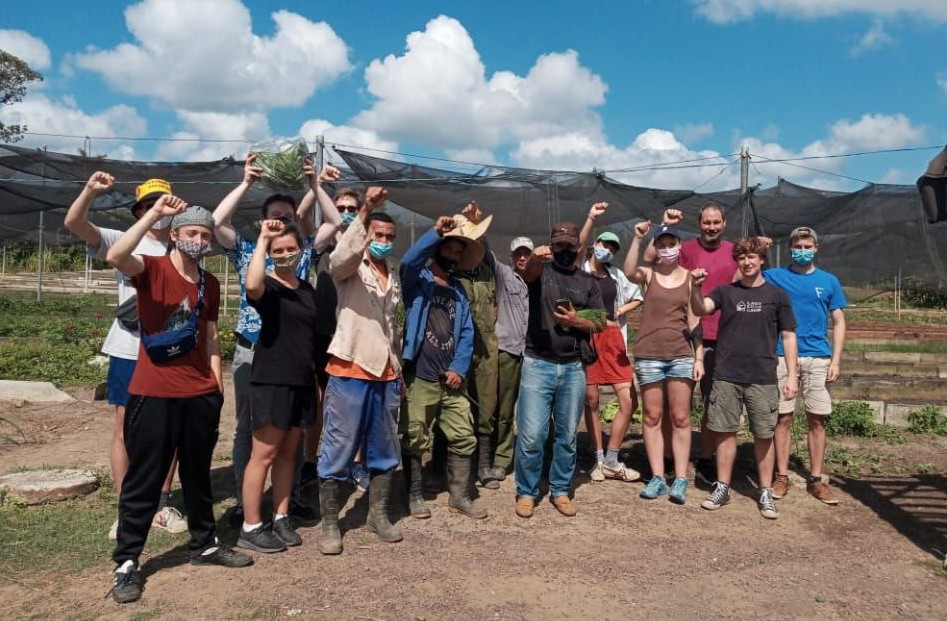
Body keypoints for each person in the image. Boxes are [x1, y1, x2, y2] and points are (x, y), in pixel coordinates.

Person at [106, 200, 251, 604]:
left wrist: (216, 381)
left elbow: (210, 333)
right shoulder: (151, 271)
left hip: (199, 394)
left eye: (205, 235)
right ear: (175, 234)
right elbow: (116, 255)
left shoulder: (211, 283)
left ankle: (204, 544)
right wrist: (153, 215)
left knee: (198, 474)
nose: (199, 240)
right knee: (144, 478)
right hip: (153, 392)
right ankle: (127, 562)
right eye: (192, 233)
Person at [213, 154, 341, 526]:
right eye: (275, 217)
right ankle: (244, 500)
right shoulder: (248, 251)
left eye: (287, 217)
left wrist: (315, 185)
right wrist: (246, 183)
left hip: (292, 356)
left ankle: (289, 500)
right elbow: (217, 221)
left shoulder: (301, 254)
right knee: (249, 432)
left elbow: (333, 222)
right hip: (253, 352)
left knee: (292, 435)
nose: (282, 223)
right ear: (264, 220)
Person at [64, 172, 187, 540]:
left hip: (170, 350)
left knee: (170, 430)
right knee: (124, 428)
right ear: (139, 212)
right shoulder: (123, 240)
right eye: (149, 205)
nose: (158, 210)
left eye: (163, 203)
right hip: (128, 348)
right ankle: (127, 505)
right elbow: (74, 223)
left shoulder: (183, 244)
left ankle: (161, 502)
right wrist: (89, 190)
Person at [317, 187, 404, 554]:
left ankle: (377, 514)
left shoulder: (393, 273)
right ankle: (331, 525)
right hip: (350, 367)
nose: (383, 242)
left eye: (389, 237)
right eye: (377, 236)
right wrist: (366, 209)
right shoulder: (351, 268)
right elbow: (339, 258)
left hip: (386, 371)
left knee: (385, 448)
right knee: (338, 447)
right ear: (367, 235)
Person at [690, 237, 798, 520]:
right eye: (742, 258)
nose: (747, 262)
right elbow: (701, 310)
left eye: (752, 257)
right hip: (727, 375)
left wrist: (792, 376)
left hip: (763, 376)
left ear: (762, 260)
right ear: (737, 261)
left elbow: (788, 336)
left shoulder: (777, 295)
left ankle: (764, 492)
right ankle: (722, 487)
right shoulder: (726, 292)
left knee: (764, 435)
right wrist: (696, 287)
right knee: (725, 432)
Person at [236, 221, 319, 553]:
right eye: (278, 251)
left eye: (290, 249)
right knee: (264, 454)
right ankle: (251, 525)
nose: (285, 255)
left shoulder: (307, 288)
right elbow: (252, 284)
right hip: (272, 380)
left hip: (301, 381)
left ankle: (281, 515)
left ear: (300, 251)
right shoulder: (267, 287)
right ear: (270, 255)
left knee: (289, 453)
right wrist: (262, 240)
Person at [515, 221, 605, 519]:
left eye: (570, 245)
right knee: (531, 435)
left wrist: (575, 321)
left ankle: (560, 490)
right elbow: (526, 273)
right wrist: (536, 259)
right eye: (559, 245)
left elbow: (599, 321)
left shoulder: (587, 282)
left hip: (573, 367)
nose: (565, 250)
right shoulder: (542, 272)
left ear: (578, 247)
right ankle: (526, 492)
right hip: (538, 363)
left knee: (566, 435)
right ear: (551, 245)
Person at [400, 215, 485, 520]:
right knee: (414, 436)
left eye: (458, 252)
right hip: (420, 376)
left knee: (464, 435)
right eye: (449, 250)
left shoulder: (459, 292)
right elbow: (408, 262)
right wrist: (435, 233)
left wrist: (459, 369)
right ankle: (413, 496)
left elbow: (466, 334)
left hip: (451, 379)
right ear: (437, 249)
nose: (453, 256)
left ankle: (459, 496)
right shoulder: (418, 281)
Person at [647, 204, 736, 485]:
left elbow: (750, 268)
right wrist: (662, 225)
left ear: (724, 224)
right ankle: (670, 460)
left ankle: (706, 458)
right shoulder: (683, 248)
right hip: (683, 337)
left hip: (723, 338)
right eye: (706, 222)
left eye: (716, 222)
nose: (711, 226)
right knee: (670, 406)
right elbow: (651, 259)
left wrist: (762, 245)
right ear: (699, 224)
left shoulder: (734, 251)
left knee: (713, 403)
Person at [765, 226, 847, 504]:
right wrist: (760, 249)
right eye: (797, 246)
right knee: (783, 417)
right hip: (782, 356)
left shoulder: (829, 281)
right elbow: (743, 273)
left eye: (807, 246)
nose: (802, 251)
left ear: (816, 247)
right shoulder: (775, 276)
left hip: (818, 357)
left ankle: (816, 479)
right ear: (790, 248)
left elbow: (838, 321)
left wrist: (835, 359)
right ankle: (782, 475)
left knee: (817, 418)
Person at [624, 221, 702, 503]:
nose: (667, 249)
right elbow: (629, 271)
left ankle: (680, 478)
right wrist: (636, 238)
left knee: (680, 418)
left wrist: (699, 356)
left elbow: (695, 320)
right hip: (649, 354)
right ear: (656, 248)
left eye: (672, 244)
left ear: (680, 246)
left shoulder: (691, 278)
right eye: (662, 245)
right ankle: (657, 477)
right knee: (651, 416)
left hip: (681, 354)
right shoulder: (648, 274)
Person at [305, 185, 372, 492]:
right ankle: (310, 461)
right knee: (318, 401)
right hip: (321, 334)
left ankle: (356, 463)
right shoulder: (319, 244)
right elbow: (300, 216)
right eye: (339, 207)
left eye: (350, 208)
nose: (345, 213)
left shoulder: (366, 245)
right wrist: (313, 185)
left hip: (351, 334)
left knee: (354, 402)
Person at [578, 203, 644, 483]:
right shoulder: (579, 270)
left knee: (628, 401)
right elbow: (576, 312)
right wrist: (591, 218)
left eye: (613, 248)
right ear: (595, 244)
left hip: (615, 341)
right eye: (605, 245)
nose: (609, 251)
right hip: (587, 341)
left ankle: (613, 458)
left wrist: (617, 313)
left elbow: (639, 297)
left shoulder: (616, 275)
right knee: (591, 400)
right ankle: (598, 458)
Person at [451, 203, 500, 490]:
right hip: (455, 349)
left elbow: (488, 251)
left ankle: (483, 466)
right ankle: (444, 466)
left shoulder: (486, 271)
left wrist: (478, 225)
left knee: (485, 405)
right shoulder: (449, 273)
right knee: (452, 405)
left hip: (486, 348)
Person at [485, 234, 533, 482]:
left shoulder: (540, 281)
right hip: (508, 351)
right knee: (503, 409)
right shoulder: (504, 275)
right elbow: (486, 253)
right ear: (512, 257)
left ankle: (535, 457)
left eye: (527, 254)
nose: (523, 257)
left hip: (535, 355)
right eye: (518, 254)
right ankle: (500, 458)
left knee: (534, 411)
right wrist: (479, 227)